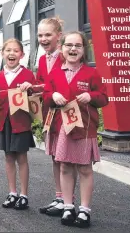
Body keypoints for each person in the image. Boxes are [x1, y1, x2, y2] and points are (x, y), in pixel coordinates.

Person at [43, 31, 108, 228]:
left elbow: (103, 97)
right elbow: (46, 95)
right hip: (61, 128)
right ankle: (68, 206)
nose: (73, 49)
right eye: (69, 45)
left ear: (83, 49)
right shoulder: (54, 74)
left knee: (85, 168)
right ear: (61, 48)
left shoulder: (91, 73)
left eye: (77, 45)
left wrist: (91, 96)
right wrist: (53, 95)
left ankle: (85, 210)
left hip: (84, 127)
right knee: (64, 166)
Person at [0, 38, 36, 210]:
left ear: (22, 55)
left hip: (20, 122)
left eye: (16, 51)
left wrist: (30, 87)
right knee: (8, 157)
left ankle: (23, 194)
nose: (11, 54)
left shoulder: (28, 75)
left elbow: (36, 95)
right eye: (8, 50)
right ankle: (12, 192)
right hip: (4, 122)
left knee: (21, 157)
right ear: (2, 53)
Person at [34, 17, 73, 217]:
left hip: (67, 113)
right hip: (49, 113)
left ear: (59, 36)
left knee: (66, 158)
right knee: (55, 157)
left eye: (48, 34)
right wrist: (33, 88)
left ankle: (69, 201)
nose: (43, 39)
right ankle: (59, 198)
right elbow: (42, 83)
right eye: (40, 35)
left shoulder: (66, 56)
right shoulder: (42, 60)